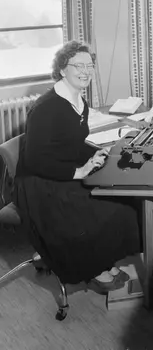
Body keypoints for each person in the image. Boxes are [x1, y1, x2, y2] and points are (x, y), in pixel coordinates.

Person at [14, 41, 141, 292]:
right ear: (62, 69)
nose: (86, 71)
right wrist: (79, 172)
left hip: (59, 170)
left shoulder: (77, 99)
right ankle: (94, 267)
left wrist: (96, 154)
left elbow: (70, 141)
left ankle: (104, 261)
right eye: (78, 66)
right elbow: (35, 160)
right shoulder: (45, 108)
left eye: (89, 66)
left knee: (122, 201)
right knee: (107, 210)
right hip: (38, 184)